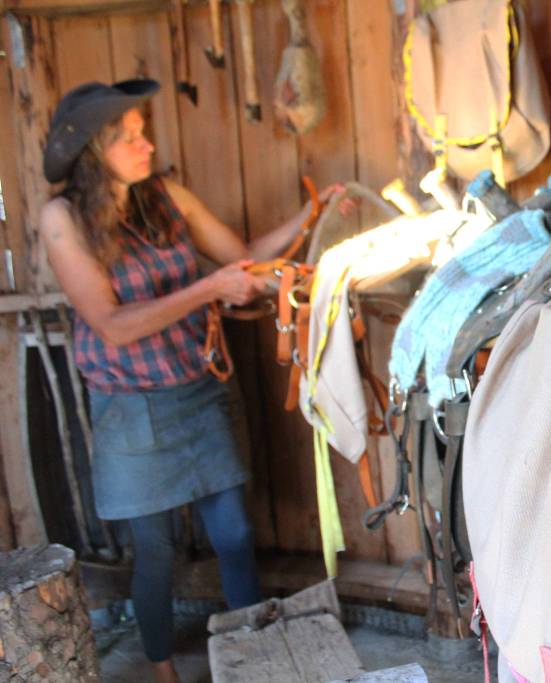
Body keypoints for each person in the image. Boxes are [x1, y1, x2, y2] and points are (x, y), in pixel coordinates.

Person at [39, 79, 340, 683]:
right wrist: (208, 288)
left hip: (198, 395)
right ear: (93, 153)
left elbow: (243, 257)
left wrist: (313, 214)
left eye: (141, 130)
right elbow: (113, 325)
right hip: (131, 410)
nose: (145, 143)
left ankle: (257, 662)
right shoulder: (62, 218)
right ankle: (164, 673)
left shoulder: (163, 196)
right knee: (155, 551)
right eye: (127, 137)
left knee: (234, 533)